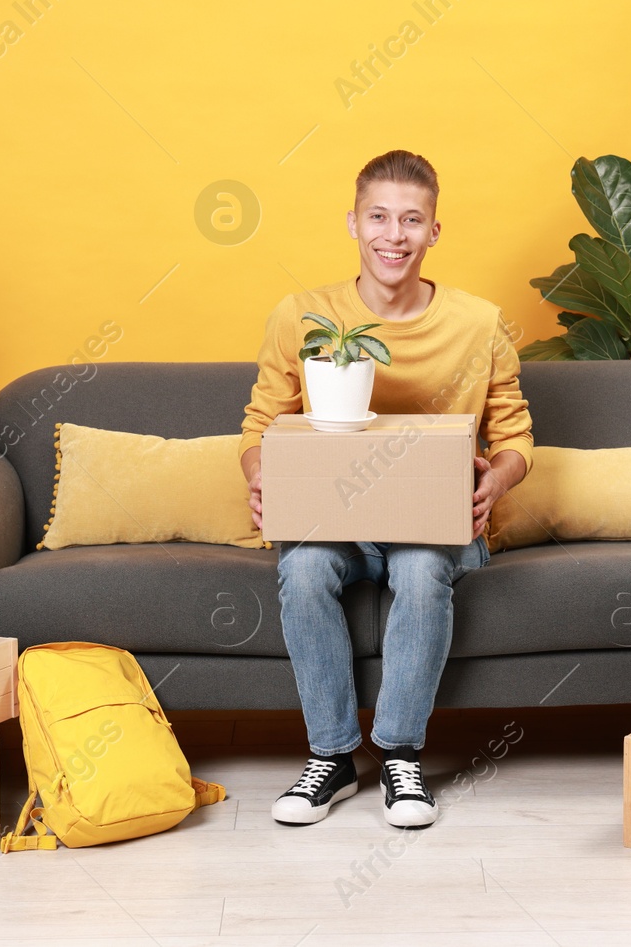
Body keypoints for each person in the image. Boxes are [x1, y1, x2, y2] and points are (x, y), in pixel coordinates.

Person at [238, 149, 533, 828]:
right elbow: (260, 424)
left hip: (434, 526)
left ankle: (400, 753)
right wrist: (263, 477)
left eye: (410, 219)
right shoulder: (303, 315)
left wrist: (499, 476)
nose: (392, 235)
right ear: (353, 223)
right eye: (378, 217)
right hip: (335, 524)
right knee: (304, 565)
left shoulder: (479, 323)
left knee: (423, 565)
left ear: (434, 231)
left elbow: (516, 437)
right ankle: (333, 758)